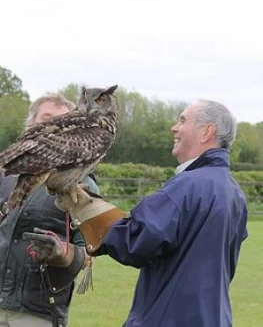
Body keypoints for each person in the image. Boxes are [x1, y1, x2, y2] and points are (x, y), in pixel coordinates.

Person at [56, 99, 248, 327]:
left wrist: (87, 209)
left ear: (207, 132)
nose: (174, 127)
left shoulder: (187, 185)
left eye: (183, 120)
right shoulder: (235, 193)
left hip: (170, 318)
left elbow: (136, 241)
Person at [0, 93, 99, 327]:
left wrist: (64, 254)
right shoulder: (5, 174)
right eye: (47, 120)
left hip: (37, 312)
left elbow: (92, 251)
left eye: (63, 123)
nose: (55, 129)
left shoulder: (82, 182)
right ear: (30, 127)